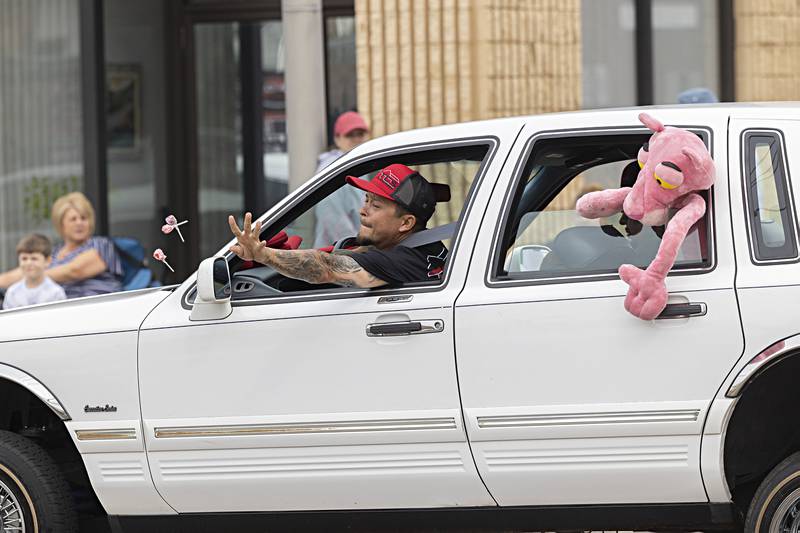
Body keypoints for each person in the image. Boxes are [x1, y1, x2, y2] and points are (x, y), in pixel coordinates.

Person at [230, 163, 448, 288]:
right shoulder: (428, 248)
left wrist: (264, 255)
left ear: (406, 223)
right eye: (366, 200)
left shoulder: (407, 259)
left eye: (376, 205)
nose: (363, 210)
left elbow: (326, 267)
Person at [0, 192, 123, 298]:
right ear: (61, 224)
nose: (79, 223)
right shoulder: (53, 253)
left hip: (98, 309)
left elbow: (74, 271)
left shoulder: (101, 244)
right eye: (73, 219)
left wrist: (34, 276)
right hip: (59, 311)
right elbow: (20, 271)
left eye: (83, 218)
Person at [313, 111, 371, 248]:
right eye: (350, 135)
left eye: (360, 134)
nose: (357, 139)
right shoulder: (331, 170)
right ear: (337, 139)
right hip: (336, 255)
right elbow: (334, 220)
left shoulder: (359, 164)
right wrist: (356, 250)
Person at [1, 234, 66, 310]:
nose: (28, 263)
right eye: (24, 258)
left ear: (47, 261)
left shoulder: (56, 293)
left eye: (34, 259)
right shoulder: (12, 293)